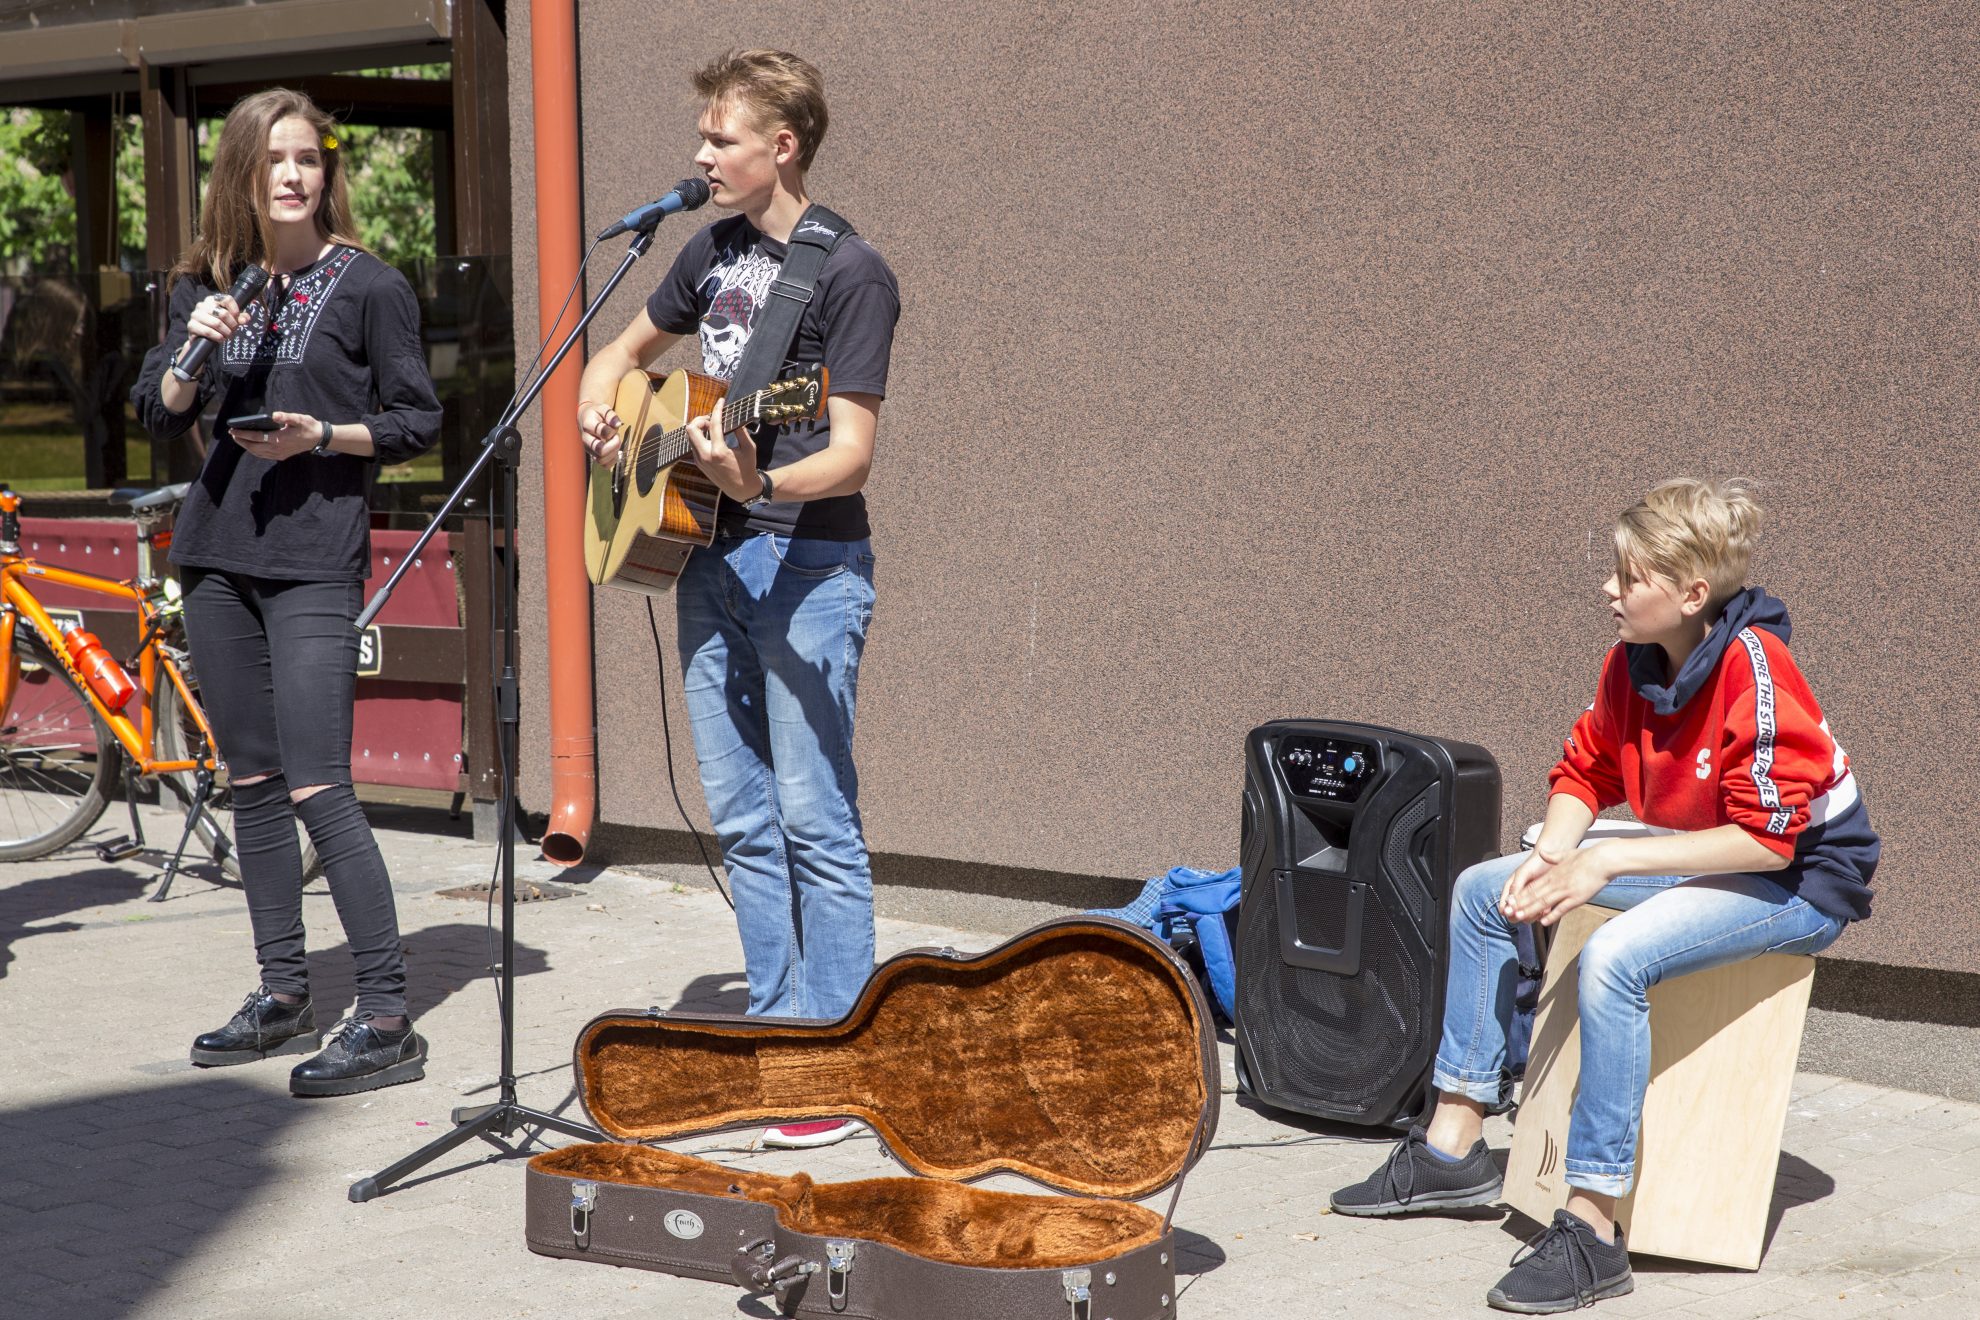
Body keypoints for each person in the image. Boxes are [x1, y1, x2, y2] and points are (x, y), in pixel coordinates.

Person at [1329, 478, 1879, 1314]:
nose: (1609, 591)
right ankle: (1454, 1146)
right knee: (1486, 890)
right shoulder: (1633, 662)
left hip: (1799, 881)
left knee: (1617, 958)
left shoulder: (1756, 671)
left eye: (1629, 578)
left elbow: (1767, 840)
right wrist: (1554, 854)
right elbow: (1584, 769)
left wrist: (1603, 868)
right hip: (1716, 858)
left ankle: (1591, 1224)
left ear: (1693, 594)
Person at [576, 50, 899, 1149]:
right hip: (704, 559)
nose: (701, 156)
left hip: (807, 567)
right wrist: (600, 408)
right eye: (703, 139)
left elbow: (849, 451)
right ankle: (777, 1044)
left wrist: (762, 481)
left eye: (721, 139)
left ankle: (841, 1064)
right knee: (746, 821)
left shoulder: (852, 274)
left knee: (815, 819)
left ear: (783, 147)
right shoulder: (706, 250)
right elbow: (624, 350)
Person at [132, 88, 441, 1097]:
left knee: (317, 781)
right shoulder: (206, 287)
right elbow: (152, 409)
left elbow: (415, 418)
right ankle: (283, 993)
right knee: (253, 781)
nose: (296, 176)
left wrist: (326, 437)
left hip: (314, 554)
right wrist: (192, 352)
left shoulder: (369, 286)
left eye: (309, 158)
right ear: (245, 177)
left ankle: (388, 1013)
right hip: (216, 554)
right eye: (276, 162)